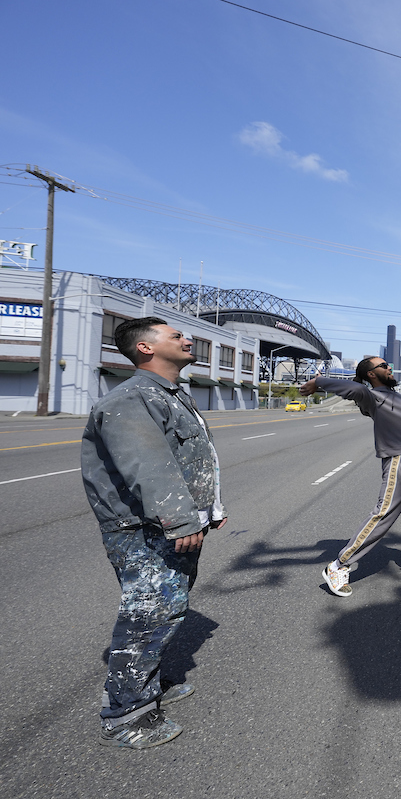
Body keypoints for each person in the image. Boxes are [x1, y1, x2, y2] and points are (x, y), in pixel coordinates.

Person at [81, 316, 227, 749]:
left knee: (168, 608)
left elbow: (188, 459)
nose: (187, 339)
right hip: (144, 527)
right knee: (148, 616)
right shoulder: (131, 398)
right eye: (176, 335)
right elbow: (148, 464)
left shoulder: (168, 395)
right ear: (145, 348)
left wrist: (207, 510)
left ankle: (147, 687)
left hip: (169, 522)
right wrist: (181, 518)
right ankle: (125, 716)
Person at [300, 357, 401, 597]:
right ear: (371, 374)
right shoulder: (372, 397)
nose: (389, 368)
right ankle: (338, 565)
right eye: (384, 366)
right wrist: (318, 382)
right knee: (383, 515)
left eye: (389, 365)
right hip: (398, 461)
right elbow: (355, 389)